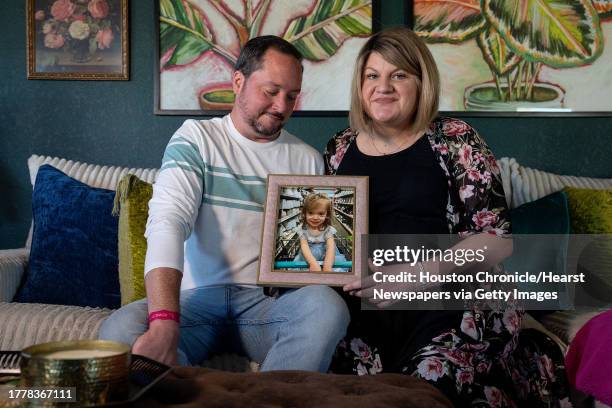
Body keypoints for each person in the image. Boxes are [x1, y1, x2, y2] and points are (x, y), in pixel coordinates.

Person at [324, 27, 572, 406]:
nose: (383, 86)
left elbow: (497, 240)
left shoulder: (455, 138)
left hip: (454, 298)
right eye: (372, 76)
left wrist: (419, 275)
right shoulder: (339, 149)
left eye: (399, 75)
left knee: (421, 393)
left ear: (422, 82)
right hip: (369, 307)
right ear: (360, 85)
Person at [99, 36, 349, 372]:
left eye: (291, 96)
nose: (281, 106)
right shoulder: (196, 139)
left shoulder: (306, 159)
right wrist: (163, 321)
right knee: (119, 329)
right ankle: (196, 394)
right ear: (238, 81)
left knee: (326, 308)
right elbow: (167, 223)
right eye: (271, 91)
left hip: (267, 305)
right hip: (197, 302)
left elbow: (312, 255)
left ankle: (268, 400)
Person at [292, 193, 347, 272]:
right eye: (311, 213)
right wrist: (312, 263)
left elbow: (330, 246)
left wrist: (328, 264)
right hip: (308, 256)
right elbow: (304, 246)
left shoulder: (327, 229)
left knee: (336, 269)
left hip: (327, 255)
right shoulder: (303, 229)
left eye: (321, 214)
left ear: (327, 215)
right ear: (305, 213)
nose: (315, 217)